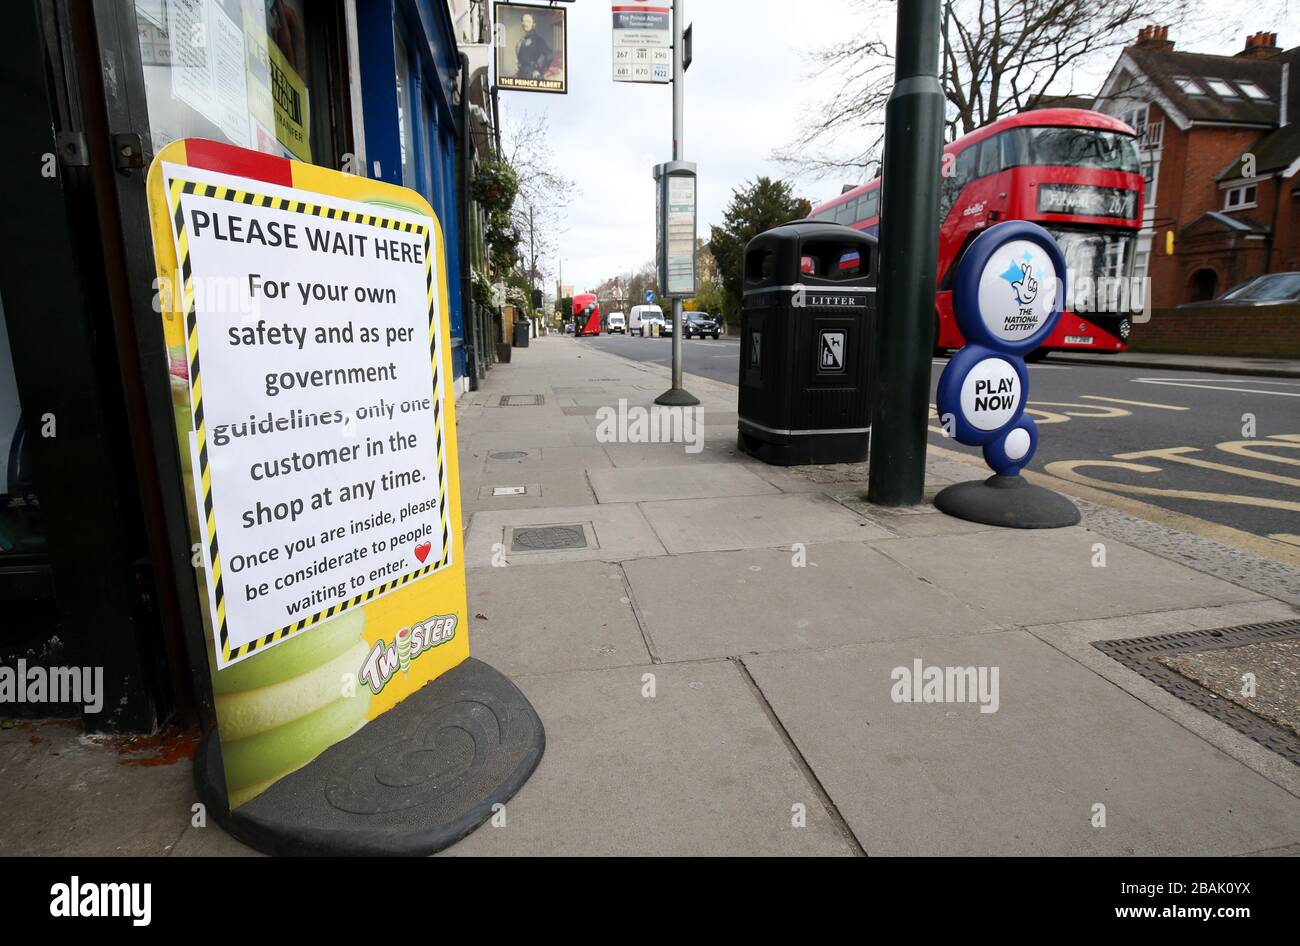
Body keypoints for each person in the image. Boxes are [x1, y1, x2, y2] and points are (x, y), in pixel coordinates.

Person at [514, 13, 553, 81]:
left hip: (532, 76)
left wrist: (539, 71)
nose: (525, 23)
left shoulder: (538, 39)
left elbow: (549, 55)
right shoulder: (521, 40)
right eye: (523, 21)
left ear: (534, 24)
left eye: (528, 21)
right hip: (521, 75)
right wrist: (517, 64)